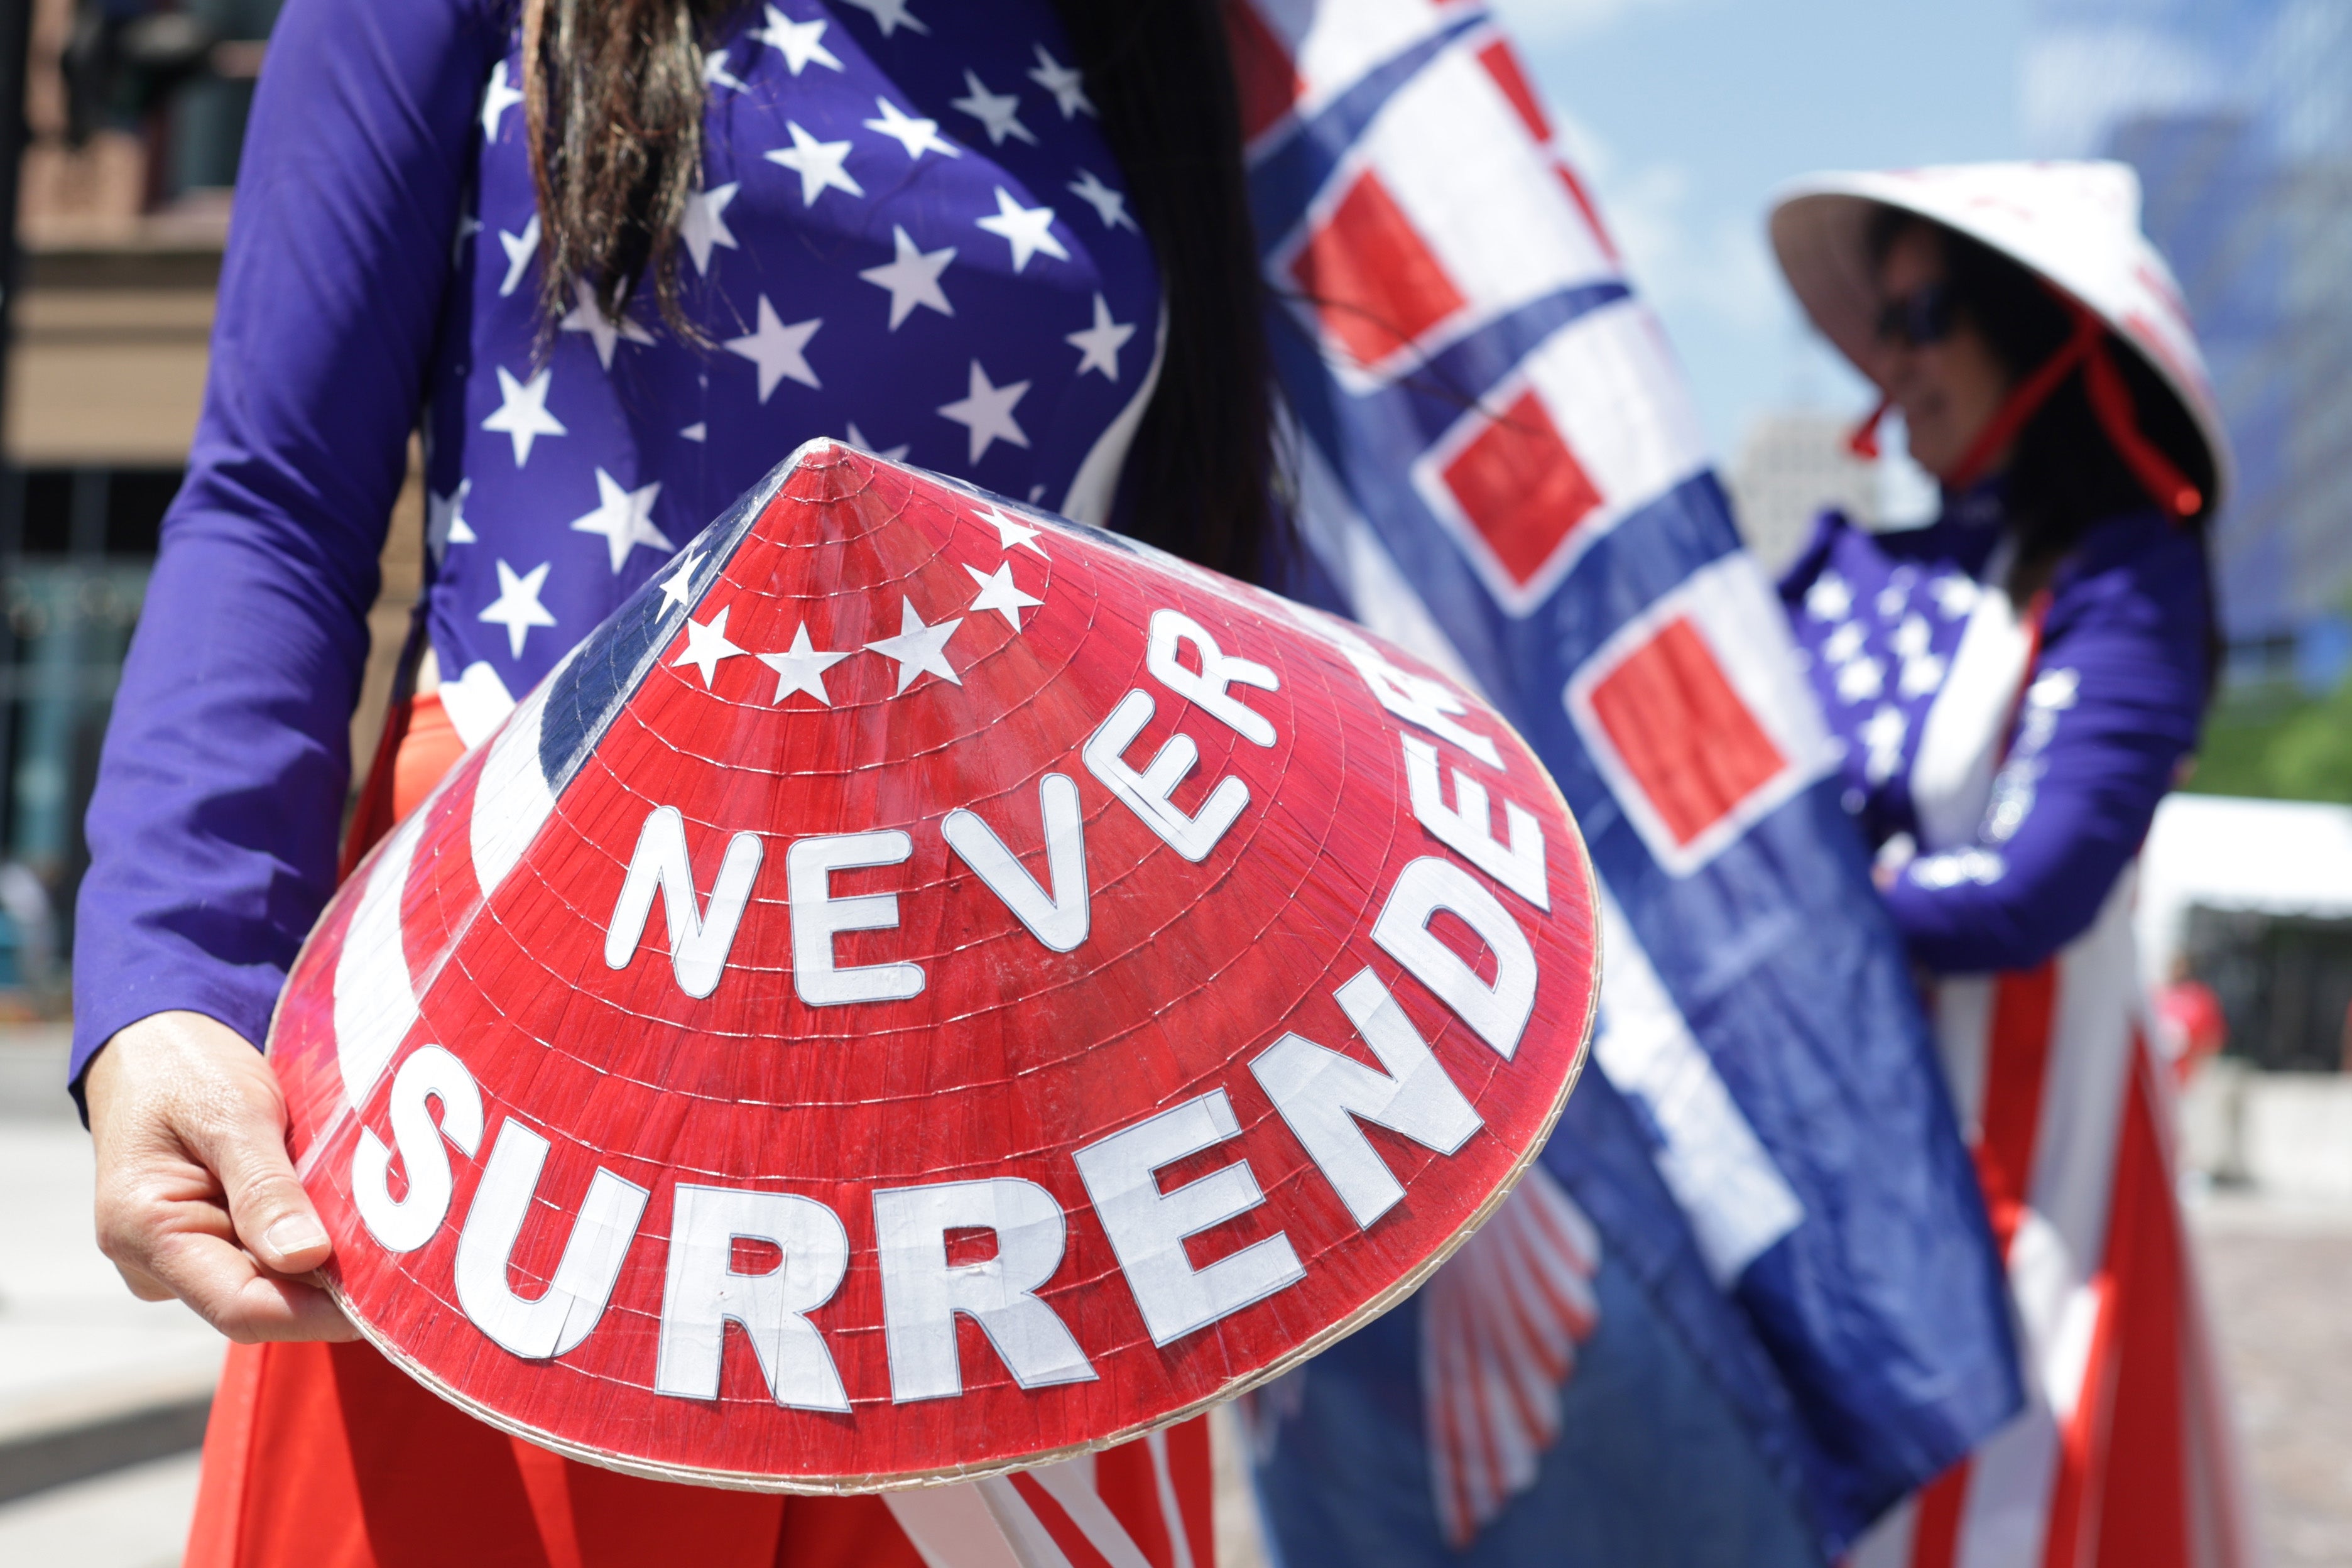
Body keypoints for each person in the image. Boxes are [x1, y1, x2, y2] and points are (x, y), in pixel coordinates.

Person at [72, 1, 1264, 1563]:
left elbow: (1203, 586)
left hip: (1013, 1073)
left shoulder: (1178, 32)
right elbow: (277, 498)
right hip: (543, 1033)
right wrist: (175, 980)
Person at [1768, 162, 2251, 1568]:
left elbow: (2036, 886)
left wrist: (1790, 911)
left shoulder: (2123, 575)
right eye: (1889, 322)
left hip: (2031, 1167)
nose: (1895, 358)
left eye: (1928, 316)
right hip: (1831, 1159)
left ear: (2038, 335)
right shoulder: (1843, 567)